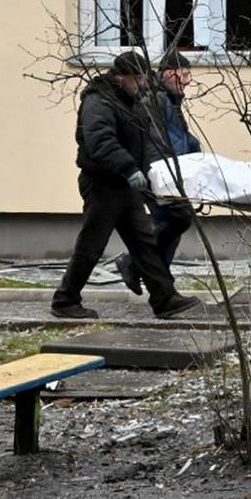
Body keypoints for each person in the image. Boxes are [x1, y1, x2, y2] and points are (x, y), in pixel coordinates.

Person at [50, 51, 200, 320]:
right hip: (103, 184)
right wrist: (130, 168)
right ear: (122, 77)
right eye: (138, 78)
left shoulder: (128, 100)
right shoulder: (99, 101)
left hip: (125, 186)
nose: (143, 83)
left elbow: (141, 138)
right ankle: (65, 300)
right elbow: (101, 141)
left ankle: (164, 299)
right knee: (91, 245)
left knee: (145, 243)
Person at [114, 50, 200, 295]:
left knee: (173, 223)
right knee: (176, 218)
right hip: (157, 173)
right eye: (184, 74)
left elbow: (180, 137)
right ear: (168, 73)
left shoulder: (169, 99)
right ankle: (133, 264)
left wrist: (197, 153)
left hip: (166, 171)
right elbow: (155, 141)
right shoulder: (155, 99)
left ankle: (161, 284)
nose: (187, 80)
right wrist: (163, 174)